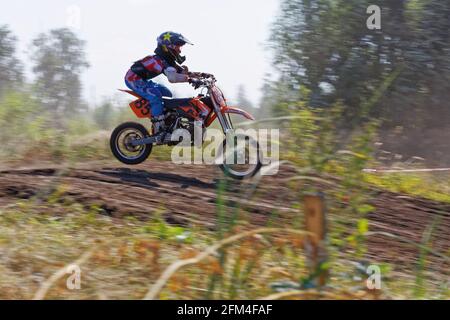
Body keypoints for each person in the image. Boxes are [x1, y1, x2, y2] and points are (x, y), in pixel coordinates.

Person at [124, 31, 193, 141]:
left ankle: (167, 122)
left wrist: (201, 76)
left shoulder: (166, 60)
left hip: (143, 80)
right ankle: (158, 130)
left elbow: (181, 73)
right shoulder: (157, 60)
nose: (179, 50)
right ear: (167, 47)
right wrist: (189, 79)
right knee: (155, 96)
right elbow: (173, 78)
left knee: (167, 94)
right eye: (177, 46)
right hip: (133, 79)